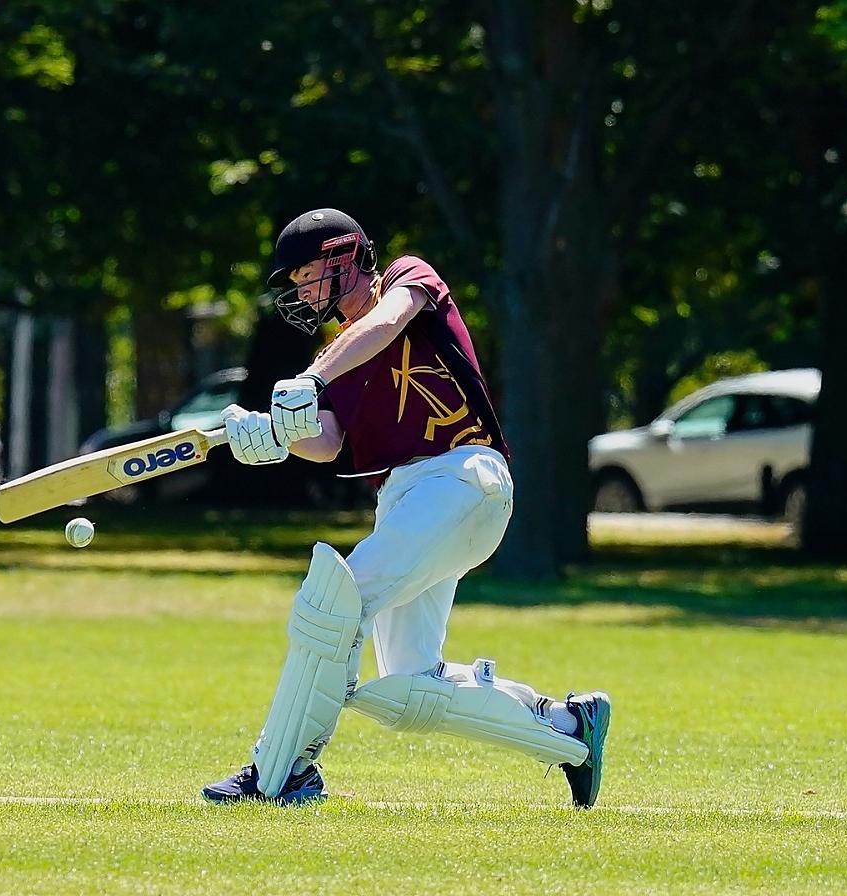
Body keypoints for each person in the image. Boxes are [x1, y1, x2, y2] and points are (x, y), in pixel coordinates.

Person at [202, 209, 611, 808]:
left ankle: (279, 773)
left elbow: (388, 321)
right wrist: (272, 434)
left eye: (306, 275)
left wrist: (310, 379)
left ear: (344, 257)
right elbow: (328, 441)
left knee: (333, 605)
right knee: (408, 687)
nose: (302, 291)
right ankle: (571, 729)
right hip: (407, 503)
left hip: (462, 476)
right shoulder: (339, 355)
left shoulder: (406, 278)